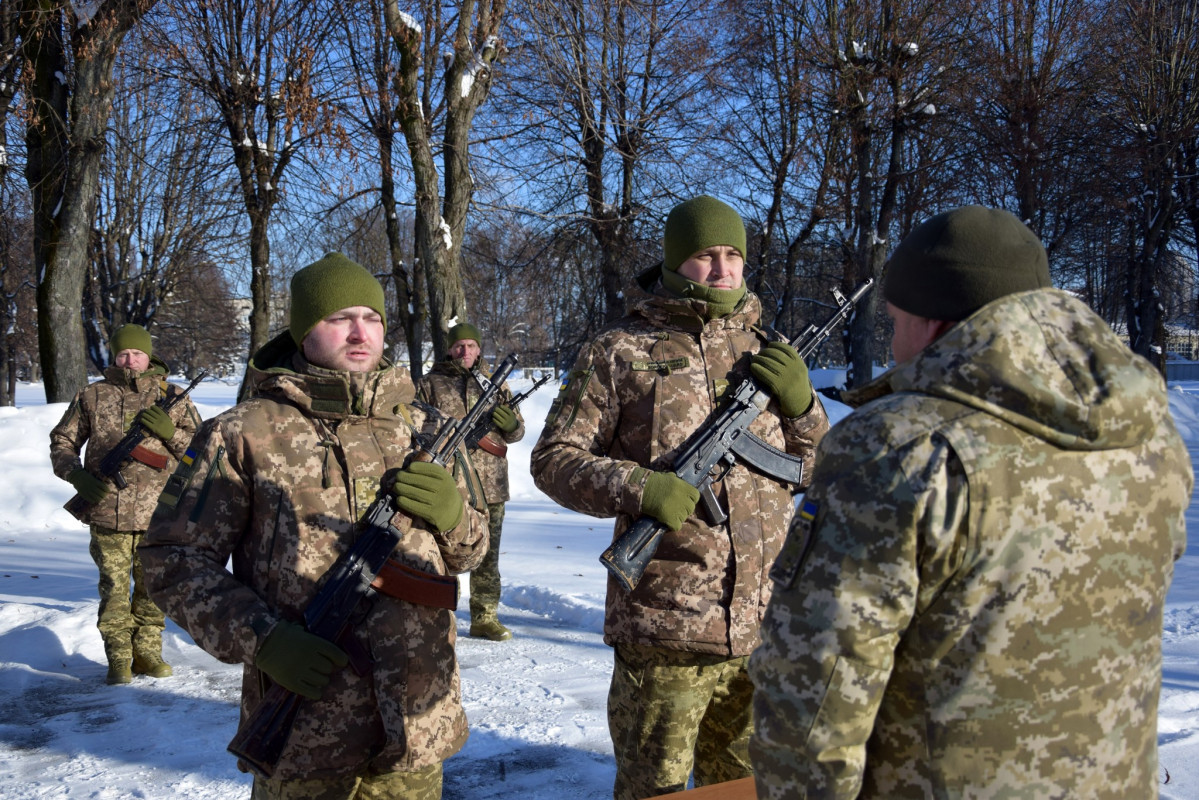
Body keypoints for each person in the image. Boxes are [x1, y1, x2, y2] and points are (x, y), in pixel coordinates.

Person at [748, 205, 1193, 799]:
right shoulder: (1146, 435)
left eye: (896, 320)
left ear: (931, 323)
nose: (894, 341)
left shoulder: (897, 446)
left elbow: (814, 694)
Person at [139, 253, 489, 799]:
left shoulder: (426, 429)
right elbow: (170, 559)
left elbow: (470, 552)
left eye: (372, 318)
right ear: (303, 332)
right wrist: (265, 639)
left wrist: (454, 516)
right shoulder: (242, 433)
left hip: (419, 724)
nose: (359, 332)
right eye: (338, 318)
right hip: (307, 735)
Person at [530, 196, 830, 799]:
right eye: (704, 256)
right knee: (658, 793)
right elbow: (553, 461)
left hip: (762, 629)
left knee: (747, 789)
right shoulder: (619, 350)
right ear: (673, 263)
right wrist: (642, 487)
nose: (722, 271)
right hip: (663, 627)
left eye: (733, 256)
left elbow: (817, 471)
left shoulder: (767, 351)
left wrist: (803, 407)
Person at [49, 323, 201, 685]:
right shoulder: (92, 396)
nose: (130, 360)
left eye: (137, 353)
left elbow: (203, 453)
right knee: (114, 589)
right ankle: (118, 659)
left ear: (149, 356)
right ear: (114, 356)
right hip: (106, 510)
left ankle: (148, 653)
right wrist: (76, 476)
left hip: (159, 514)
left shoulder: (174, 397)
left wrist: (171, 433)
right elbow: (62, 442)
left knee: (152, 587)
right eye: (123, 353)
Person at [417, 322, 524, 641]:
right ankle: (437, 617)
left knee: (487, 554)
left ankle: (484, 616)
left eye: (471, 346)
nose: (465, 351)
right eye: (459, 346)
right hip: (447, 484)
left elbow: (518, 433)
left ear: (479, 349)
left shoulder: (496, 383)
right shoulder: (430, 384)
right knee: (438, 552)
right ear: (449, 349)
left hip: (490, 484)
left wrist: (512, 424)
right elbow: (413, 426)